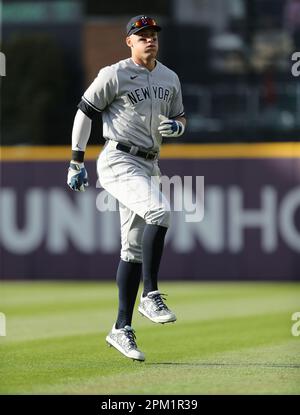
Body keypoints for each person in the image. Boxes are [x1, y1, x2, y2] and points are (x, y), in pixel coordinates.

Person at [67, 15, 186, 362]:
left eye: (152, 34)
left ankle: (121, 328)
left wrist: (177, 128)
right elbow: (84, 112)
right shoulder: (114, 74)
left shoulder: (169, 77)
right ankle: (150, 293)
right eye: (142, 35)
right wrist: (76, 160)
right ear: (129, 42)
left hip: (149, 163)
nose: (149, 39)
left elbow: (181, 117)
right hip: (118, 158)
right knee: (160, 211)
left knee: (132, 250)